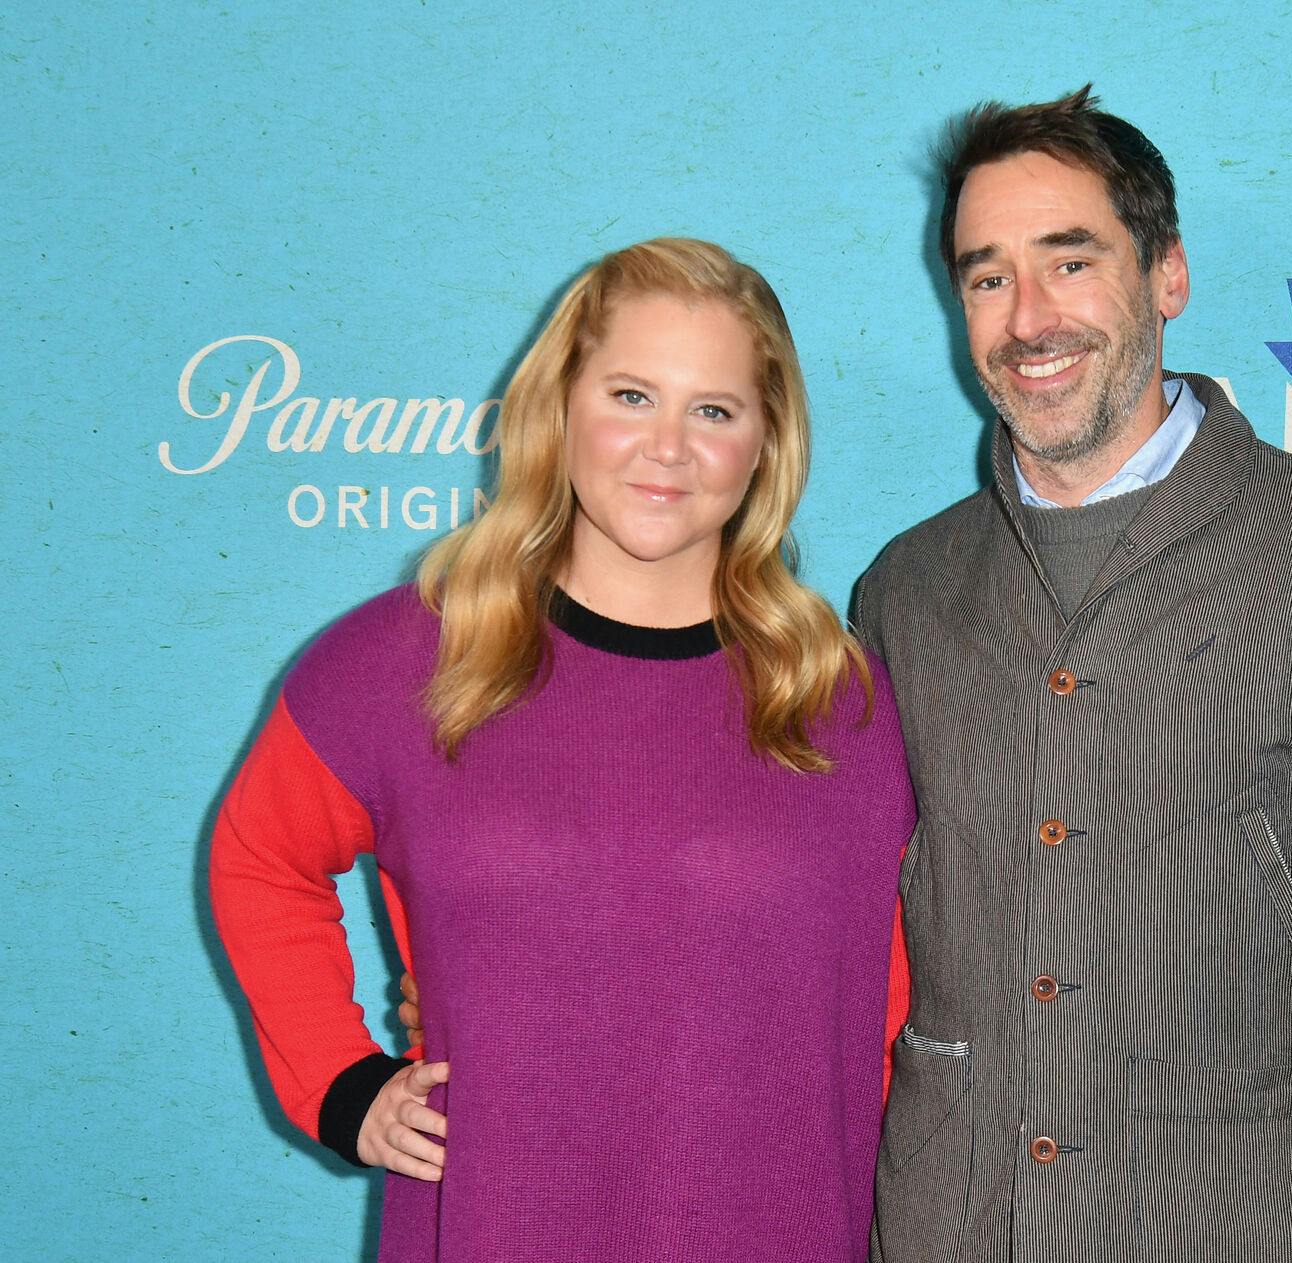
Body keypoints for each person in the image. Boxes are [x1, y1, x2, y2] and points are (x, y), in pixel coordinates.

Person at [854, 87, 1292, 1262]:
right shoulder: (904, 594)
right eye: (986, 276)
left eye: (1071, 263)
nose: (1028, 319)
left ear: (1167, 274)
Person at [209, 238, 915, 1262]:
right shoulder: (404, 659)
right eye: (631, 395)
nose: (667, 446)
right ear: (561, 407)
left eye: (713, 410)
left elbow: (886, 1007)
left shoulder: (840, 700)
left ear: (766, 443)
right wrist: (339, 1080)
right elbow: (259, 860)